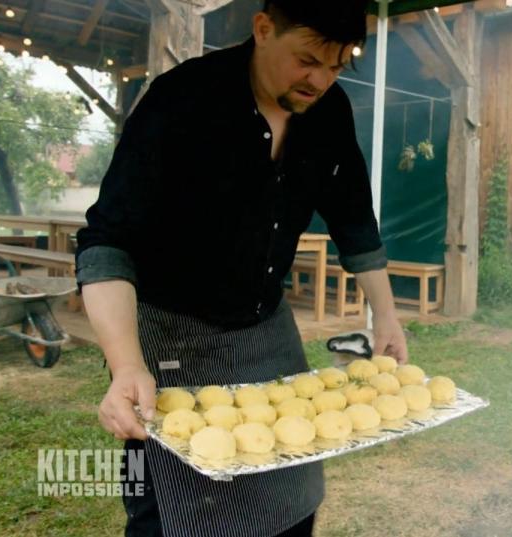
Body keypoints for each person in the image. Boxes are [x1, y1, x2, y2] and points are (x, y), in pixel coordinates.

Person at [75, 1, 408, 535]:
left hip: (266, 327)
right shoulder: (180, 101)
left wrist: (386, 317)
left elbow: (354, 220)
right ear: (262, 29)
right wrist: (125, 363)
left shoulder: (330, 112)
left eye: (338, 65)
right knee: (167, 498)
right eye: (307, 60)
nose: (320, 81)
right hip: (167, 333)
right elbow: (107, 240)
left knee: (292, 484)